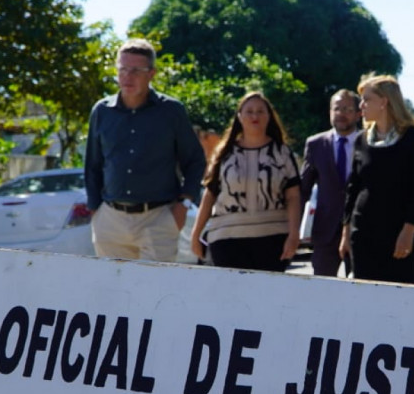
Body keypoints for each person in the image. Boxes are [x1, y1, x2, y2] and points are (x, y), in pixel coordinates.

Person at [84, 38, 206, 262]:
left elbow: (195, 160)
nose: (127, 77)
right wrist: (95, 211)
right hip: (110, 221)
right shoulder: (102, 111)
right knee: (112, 283)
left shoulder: (171, 111)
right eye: (122, 69)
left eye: (136, 71)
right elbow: (92, 165)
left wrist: (184, 206)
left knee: (154, 284)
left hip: (159, 218)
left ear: (151, 74)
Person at [190, 92, 301, 272]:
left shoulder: (281, 153)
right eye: (249, 111)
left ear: (269, 116)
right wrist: (196, 235)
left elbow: (293, 196)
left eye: (260, 111)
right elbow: (210, 194)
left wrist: (294, 234)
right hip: (226, 239)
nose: (254, 116)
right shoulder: (224, 153)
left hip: (273, 238)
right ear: (239, 117)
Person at [340, 74, 414, 285]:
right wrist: (345, 232)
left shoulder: (412, 139)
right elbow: (353, 188)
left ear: (384, 101)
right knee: (364, 295)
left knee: (400, 295)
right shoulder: (361, 140)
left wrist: (409, 231)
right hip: (362, 233)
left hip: (398, 234)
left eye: (367, 99)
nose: (361, 106)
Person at [300, 89, 362, 277]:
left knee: (361, 286)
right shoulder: (315, 144)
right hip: (325, 231)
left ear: (358, 113)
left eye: (347, 109)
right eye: (337, 109)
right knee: (322, 287)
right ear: (330, 112)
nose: (341, 114)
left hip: (359, 229)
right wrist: (292, 229)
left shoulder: (368, 143)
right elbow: (303, 189)